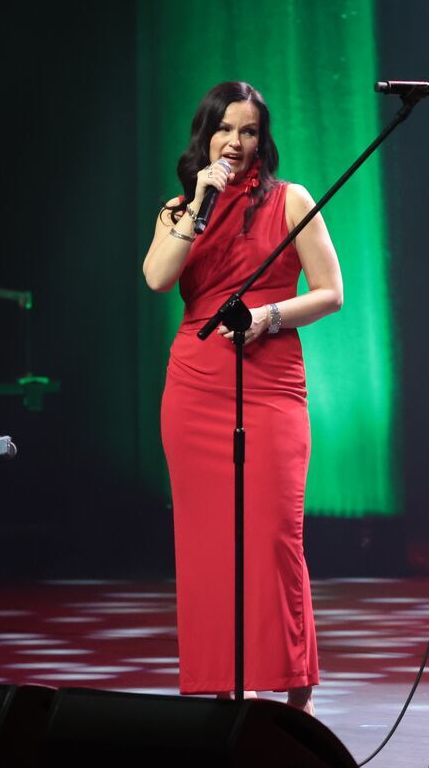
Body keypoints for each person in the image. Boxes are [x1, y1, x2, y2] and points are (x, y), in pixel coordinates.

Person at [142, 81, 343, 715]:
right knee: (207, 547)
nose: (236, 141)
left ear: (263, 139)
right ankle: (226, 694)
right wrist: (200, 202)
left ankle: (293, 702)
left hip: (269, 382)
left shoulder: (292, 200)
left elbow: (330, 291)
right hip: (195, 386)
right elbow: (157, 278)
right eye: (225, 129)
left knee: (275, 540)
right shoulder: (178, 208)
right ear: (204, 137)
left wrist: (268, 315)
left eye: (249, 130)